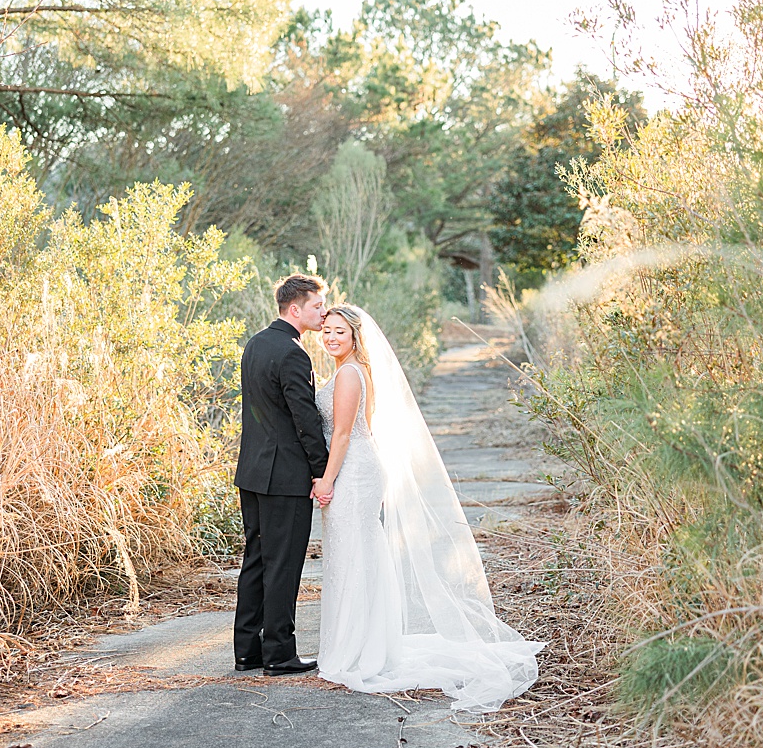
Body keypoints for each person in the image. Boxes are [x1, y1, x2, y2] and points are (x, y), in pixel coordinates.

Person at [311, 305, 543, 711]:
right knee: (353, 554)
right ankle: (363, 645)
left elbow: (345, 433)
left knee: (354, 555)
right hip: (354, 466)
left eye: (339, 332)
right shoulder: (346, 370)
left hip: (352, 470)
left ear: (355, 337)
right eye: (326, 331)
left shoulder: (349, 374)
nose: (330, 338)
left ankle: (357, 652)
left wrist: (327, 479)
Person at [232, 274, 329, 676]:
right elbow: (303, 419)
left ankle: (247, 650)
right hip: (284, 478)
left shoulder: (255, 344)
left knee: (255, 559)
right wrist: (323, 471)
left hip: (252, 474)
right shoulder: (292, 353)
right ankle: (280, 654)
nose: (323, 312)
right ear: (296, 309)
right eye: (317, 306)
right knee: (283, 565)